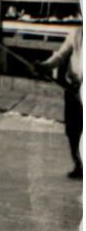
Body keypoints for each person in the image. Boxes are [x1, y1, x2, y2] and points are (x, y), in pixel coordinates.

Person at [41, 23, 83, 179]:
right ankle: (79, 164)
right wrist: (45, 66)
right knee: (73, 129)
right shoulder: (77, 33)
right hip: (73, 88)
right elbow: (61, 55)